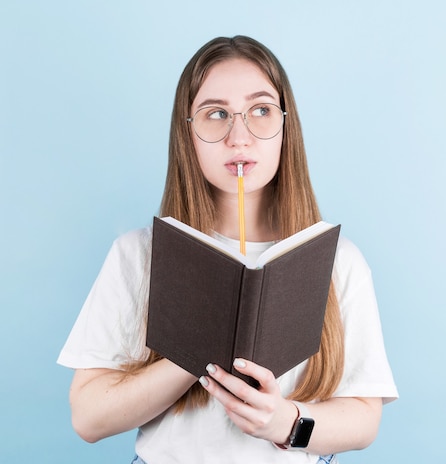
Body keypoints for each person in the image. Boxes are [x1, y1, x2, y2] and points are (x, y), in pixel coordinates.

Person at [58, 35, 398, 464]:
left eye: (260, 110)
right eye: (216, 114)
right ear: (188, 133)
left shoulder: (337, 260)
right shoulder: (139, 255)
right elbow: (88, 418)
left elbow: (364, 419)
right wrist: (198, 349)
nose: (240, 136)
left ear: (285, 125)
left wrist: (283, 423)